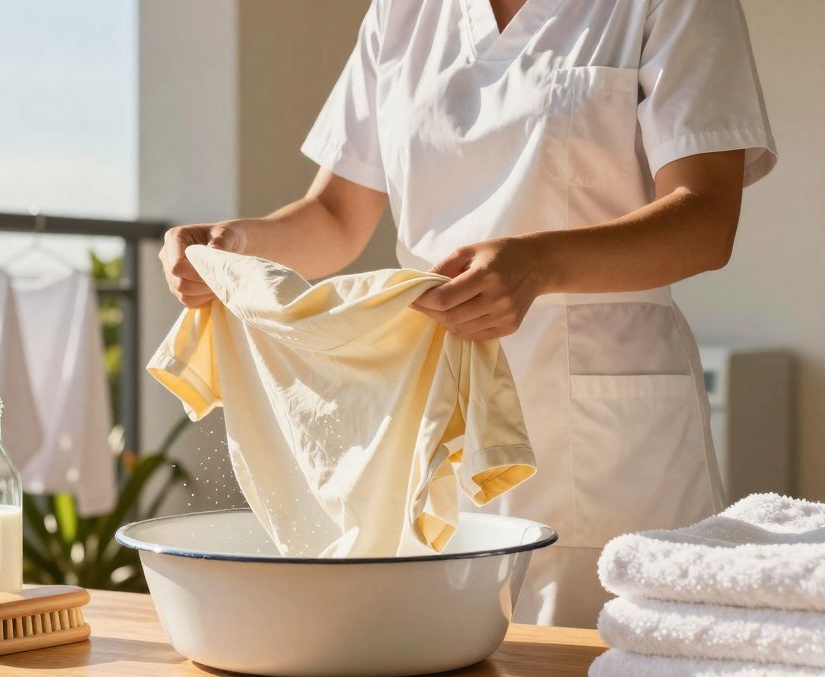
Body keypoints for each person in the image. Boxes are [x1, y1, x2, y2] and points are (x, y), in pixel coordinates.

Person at [159, 0, 776, 627]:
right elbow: (337, 217)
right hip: (433, 420)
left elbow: (704, 219)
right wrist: (233, 244)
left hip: (604, 443)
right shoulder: (401, 14)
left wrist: (541, 266)